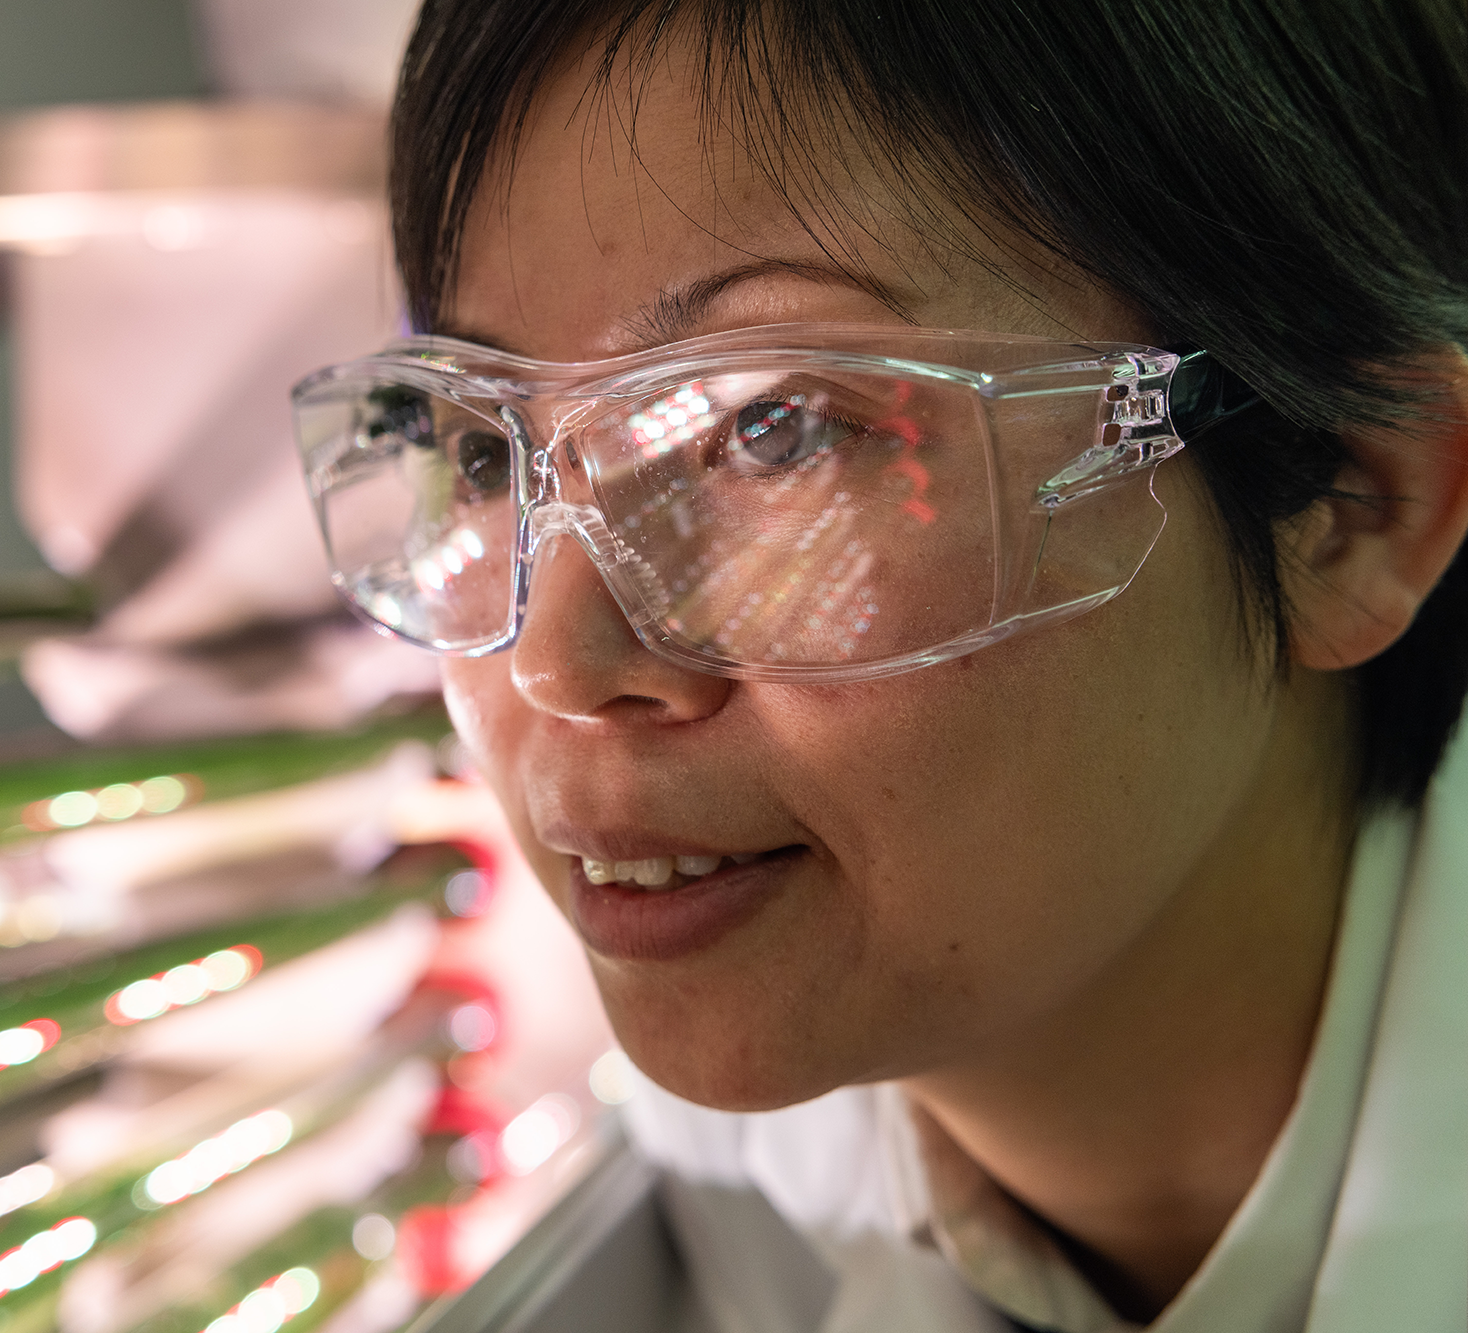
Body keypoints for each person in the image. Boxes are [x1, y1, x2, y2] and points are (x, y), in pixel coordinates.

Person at [291, 2, 1468, 1328]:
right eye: (485, 450)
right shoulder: (732, 1177)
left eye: (772, 428)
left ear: (1353, 505)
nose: (557, 661)